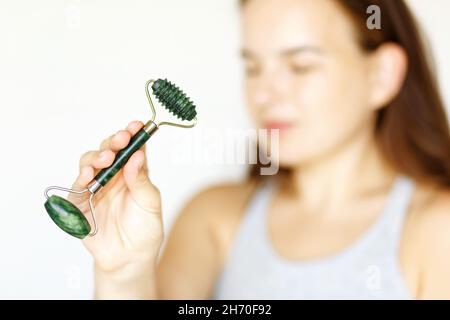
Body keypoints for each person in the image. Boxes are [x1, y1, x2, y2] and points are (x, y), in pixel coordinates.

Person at [70, 0, 450, 299]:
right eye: (253, 68)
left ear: (381, 75)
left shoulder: (436, 228)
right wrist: (123, 273)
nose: (264, 94)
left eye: (300, 66)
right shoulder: (214, 218)